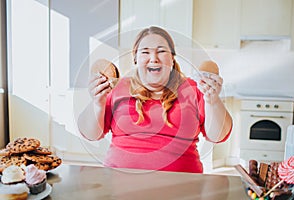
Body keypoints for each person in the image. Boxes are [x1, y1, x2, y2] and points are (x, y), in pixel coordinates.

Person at [77, 26, 233, 173]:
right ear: (136, 59)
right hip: (119, 183)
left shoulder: (194, 89)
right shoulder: (118, 88)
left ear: (172, 58)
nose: (154, 58)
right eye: (145, 52)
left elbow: (218, 136)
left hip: (183, 186)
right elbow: (90, 134)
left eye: (161, 51)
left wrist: (212, 100)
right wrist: (97, 102)